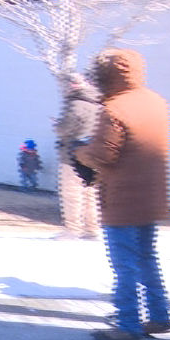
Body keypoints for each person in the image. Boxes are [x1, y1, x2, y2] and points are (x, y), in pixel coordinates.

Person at [73, 48, 170, 340]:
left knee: (124, 263)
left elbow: (103, 155)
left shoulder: (114, 108)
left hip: (122, 197)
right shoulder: (156, 101)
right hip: (152, 194)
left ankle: (127, 324)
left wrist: (77, 151)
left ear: (106, 77)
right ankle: (159, 315)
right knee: (146, 257)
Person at [53, 72, 102, 239]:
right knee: (90, 193)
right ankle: (92, 229)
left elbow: (65, 129)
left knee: (72, 193)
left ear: (73, 85)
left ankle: (73, 230)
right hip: (93, 155)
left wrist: (57, 126)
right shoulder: (99, 104)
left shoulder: (76, 104)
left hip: (72, 155)